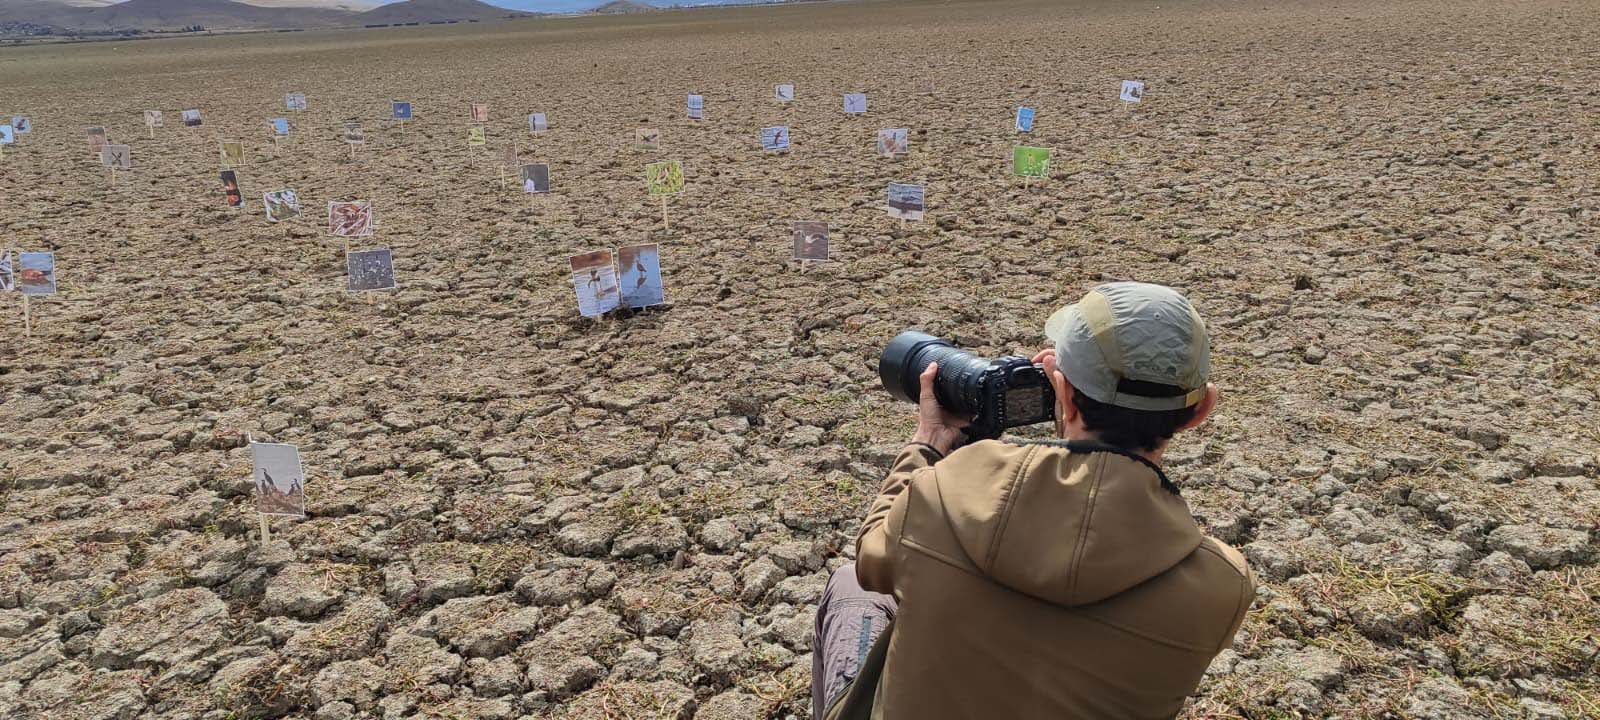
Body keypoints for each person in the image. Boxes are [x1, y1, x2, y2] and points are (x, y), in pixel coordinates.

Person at [813, 282, 1254, 720]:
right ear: (1201, 411)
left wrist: (926, 444)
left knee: (852, 584)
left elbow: (873, 558)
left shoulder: (947, 490)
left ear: (1063, 392)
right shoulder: (1222, 586)